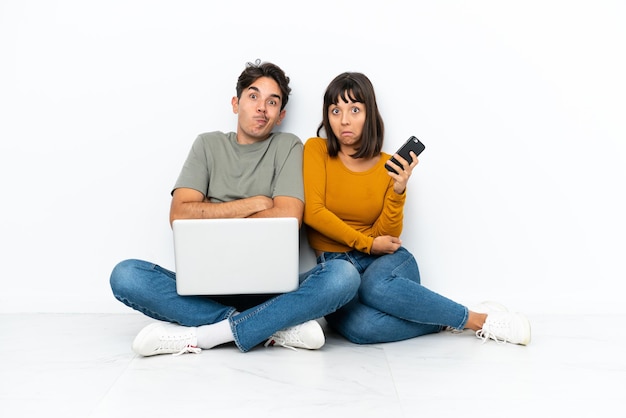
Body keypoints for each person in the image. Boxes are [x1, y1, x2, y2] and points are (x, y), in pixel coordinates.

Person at [110, 61, 360, 356]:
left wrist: (210, 211)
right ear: (235, 103)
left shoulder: (288, 146)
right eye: (253, 97)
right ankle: (272, 326)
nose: (261, 108)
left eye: (272, 102)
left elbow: (289, 215)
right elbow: (179, 213)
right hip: (205, 291)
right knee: (125, 275)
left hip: (274, 292)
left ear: (280, 116)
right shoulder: (207, 145)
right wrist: (255, 203)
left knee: (343, 275)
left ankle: (208, 334)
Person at [302, 72, 531, 346]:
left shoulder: (388, 166)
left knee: (375, 285)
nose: (344, 120)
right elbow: (314, 213)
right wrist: (367, 243)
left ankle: (480, 320)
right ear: (327, 116)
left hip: (386, 264)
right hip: (337, 267)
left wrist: (398, 191)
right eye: (335, 110)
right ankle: (439, 318)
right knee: (363, 329)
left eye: (354, 109)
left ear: (369, 114)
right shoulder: (316, 150)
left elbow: (386, 234)